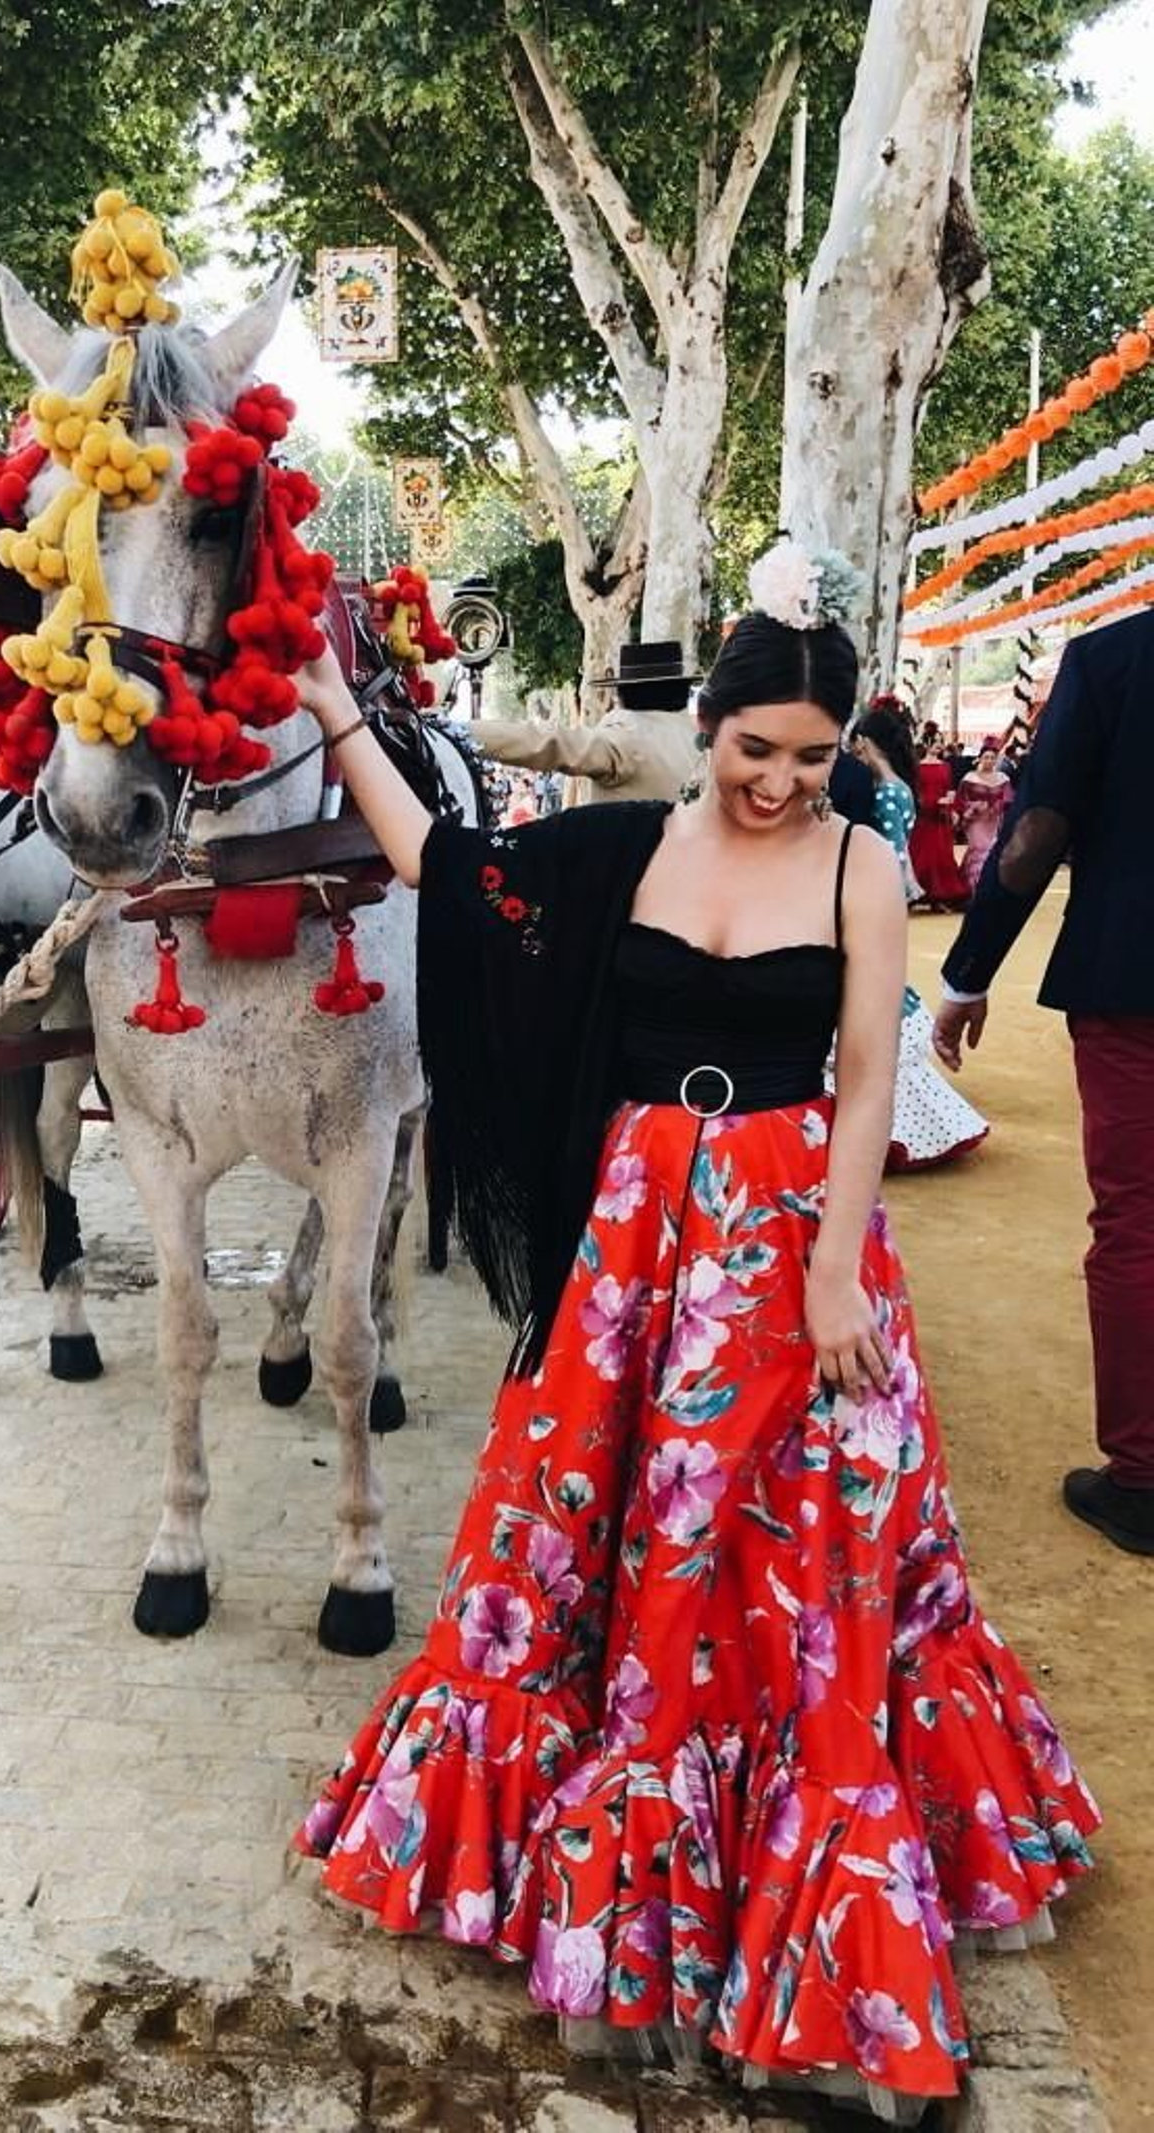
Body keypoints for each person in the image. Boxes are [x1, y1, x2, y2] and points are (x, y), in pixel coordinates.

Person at [293, 541, 1096, 2118]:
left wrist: (836, 1269)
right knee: (602, 1529)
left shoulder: (866, 865)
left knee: (810, 1555)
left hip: (801, 1231)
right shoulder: (623, 852)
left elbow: (870, 1078)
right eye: (753, 751)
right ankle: (624, 1872)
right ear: (706, 732)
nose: (781, 782)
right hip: (638, 1232)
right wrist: (332, 707)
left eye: (811, 755)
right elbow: (440, 871)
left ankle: (823, 1913)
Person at [936, 611, 1154, 1558]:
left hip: (1132, 981)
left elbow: (1034, 836)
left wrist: (968, 971)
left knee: (1138, 1222)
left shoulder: (1114, 658)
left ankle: (1144, 1478)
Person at [850, 707, 989, 1171]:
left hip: (875, 897)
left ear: (866, 745)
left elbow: (887, 855)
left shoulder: (887, 793)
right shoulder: (897, 790)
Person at [473, 641, 699, 805]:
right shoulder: (697, 740)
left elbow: (551, 742)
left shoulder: (628, 738)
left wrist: (465, 733)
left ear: (623, 693)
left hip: (631, 867)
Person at [907, 738, 966, 911]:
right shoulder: (917, 767)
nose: (939, 745)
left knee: (942, 856)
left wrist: (953, 808)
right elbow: (917, 793)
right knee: (923, 856)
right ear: (927, 744)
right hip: (925, 818)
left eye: (941, 742)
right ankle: (918, 894)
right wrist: (933, 801)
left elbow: (950, 788)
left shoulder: (946, 766)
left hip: (942, 818)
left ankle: (941, 896)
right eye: (935, 742)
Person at [955, 743, 1013, 898]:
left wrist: (996, 807)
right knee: (979, 848)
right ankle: (975, 890)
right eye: (986, 757)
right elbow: (959, 801)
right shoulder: (969, 778)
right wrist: (972, 808)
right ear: (979, 759)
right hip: (975, 821)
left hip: (993, 821)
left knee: (988, 851)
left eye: (992, 758)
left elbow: (1008, 800)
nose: (989, 760)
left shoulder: (1003, 778)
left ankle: (969, 888)